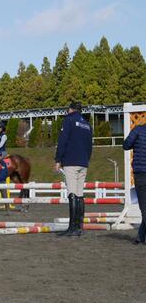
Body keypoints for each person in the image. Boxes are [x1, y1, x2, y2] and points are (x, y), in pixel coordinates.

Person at [54, 102, 93, 237]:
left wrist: (58, 159)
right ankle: (79, 227)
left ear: (70, 109)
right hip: (83, 162)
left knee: (72, 193)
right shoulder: (87, 124)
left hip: (71, 161)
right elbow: (89, 146)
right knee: (79, 194)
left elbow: (63, 140)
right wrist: (86, 160)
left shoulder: (68, 120)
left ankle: (72, 227)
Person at [122, 123, 146, 245]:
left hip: (141, 173)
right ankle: (140, 237)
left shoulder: (138, 130)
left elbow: (126, 145)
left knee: (144, 207)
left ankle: (141, 237)